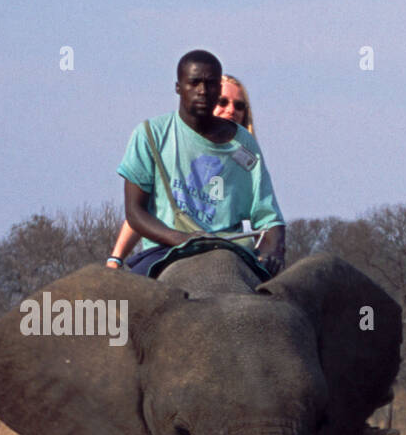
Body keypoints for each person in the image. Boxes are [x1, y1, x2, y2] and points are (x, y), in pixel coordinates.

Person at [115, 50, 286, 278]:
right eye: (194, 83)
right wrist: (182, 240)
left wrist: (272, 250)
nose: (203, 91)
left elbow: (268, 217)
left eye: (211, 84)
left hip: (231, 252)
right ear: (178, 87)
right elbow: (135, 212)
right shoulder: (150, 135)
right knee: (119, 306)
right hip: (164, 250)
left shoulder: (244, 144)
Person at [106, 75, 256, 269]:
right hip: (170, 247)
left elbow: (260, 206)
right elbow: (143, 209)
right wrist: (116, 258)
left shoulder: (245, 155)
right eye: (222, 102)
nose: (231, 110)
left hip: (229, 247)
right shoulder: (170, 145)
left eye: (239, 106)